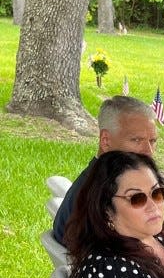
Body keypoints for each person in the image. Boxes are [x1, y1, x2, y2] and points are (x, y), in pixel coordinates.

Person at [53, 95, 158, 244]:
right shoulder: (103, 199)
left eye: (152, 141)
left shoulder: (98, 180)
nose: (149, 151)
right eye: (136, 140)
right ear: (105, 140)